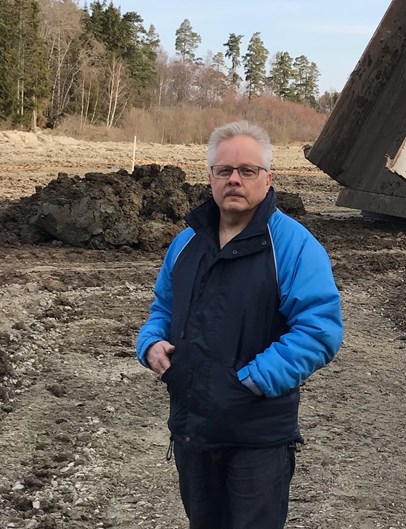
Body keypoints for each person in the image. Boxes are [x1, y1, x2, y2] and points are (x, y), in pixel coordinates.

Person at [136, 120, 344, 529]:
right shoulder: (186, 243)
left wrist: (251, 381)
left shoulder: (293, 245)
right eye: (224, 170)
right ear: (210, 177)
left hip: (257, 437)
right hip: (192, 429)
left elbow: (320, 330)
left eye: (247, 171)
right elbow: (163, 307)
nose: (235, 179)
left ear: (267, 179)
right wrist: (151, 342)